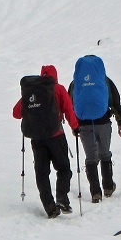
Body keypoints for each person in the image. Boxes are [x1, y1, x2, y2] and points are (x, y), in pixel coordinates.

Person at [13, 64, 79, 218]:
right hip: (56, 135)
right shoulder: (59, 89)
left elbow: (16, 113)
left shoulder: (32, 90)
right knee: (63, 169)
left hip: (37, 138)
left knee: (42, 173)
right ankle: (62, 197)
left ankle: (50, 207)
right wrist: (75, 127)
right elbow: (69, 110)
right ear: (55, 76)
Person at [68, 57, 121, 203]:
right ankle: (107, 187)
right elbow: (115, 101)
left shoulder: (76, 83)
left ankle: (95, 192)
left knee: (91, 157)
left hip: (83, 124)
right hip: (103, 122)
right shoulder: (104, 81)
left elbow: (70, 105)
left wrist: (74, 126)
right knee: (105, 154)